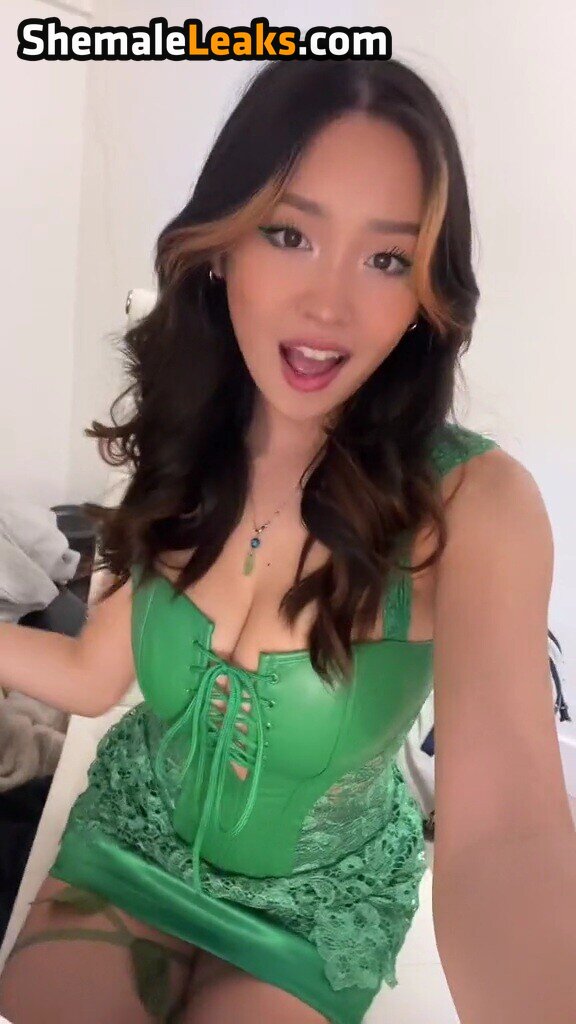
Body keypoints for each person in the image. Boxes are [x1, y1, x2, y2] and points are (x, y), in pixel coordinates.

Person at [1, 56, 573, 1024]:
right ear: (220, 245)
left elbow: (505, 834)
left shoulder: (475, 503)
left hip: (314, 911)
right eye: (290, 234)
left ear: (428, 293)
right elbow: (97, 675)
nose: (328, 307)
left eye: (386, 259)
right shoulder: (186, 446)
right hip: (132, 845)